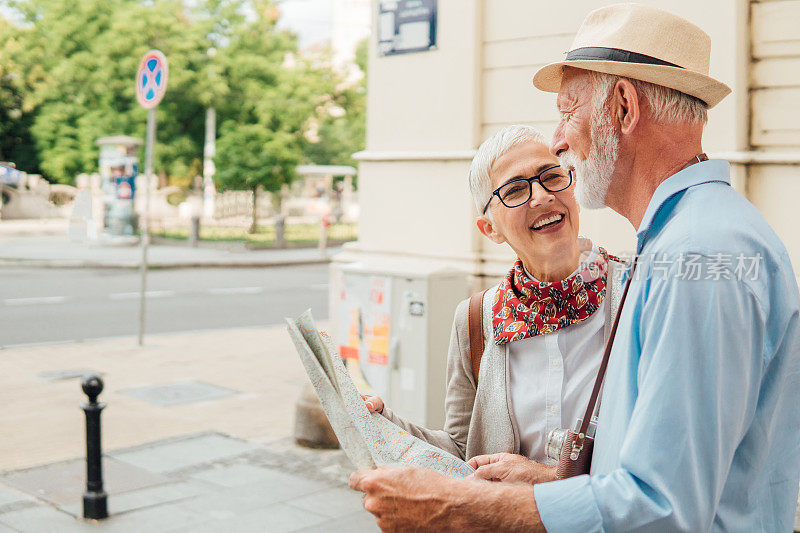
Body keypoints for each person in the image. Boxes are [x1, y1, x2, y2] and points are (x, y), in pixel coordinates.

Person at [349, 4, 800, 532]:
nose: (560, 139)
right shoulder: (683, 244)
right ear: (489, 225)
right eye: (515, 189)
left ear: (625, 107)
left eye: (568, 110)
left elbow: (661, 509)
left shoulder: (694, 256)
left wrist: (457, 507)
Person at [362, 125, 623, 478]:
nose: (542, 196)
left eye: (552, 176)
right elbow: (461, 450)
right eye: (515, 189)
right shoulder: (476, 318)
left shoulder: (634, 291)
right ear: (490, 229)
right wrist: (382, 424)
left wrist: (547, 478)